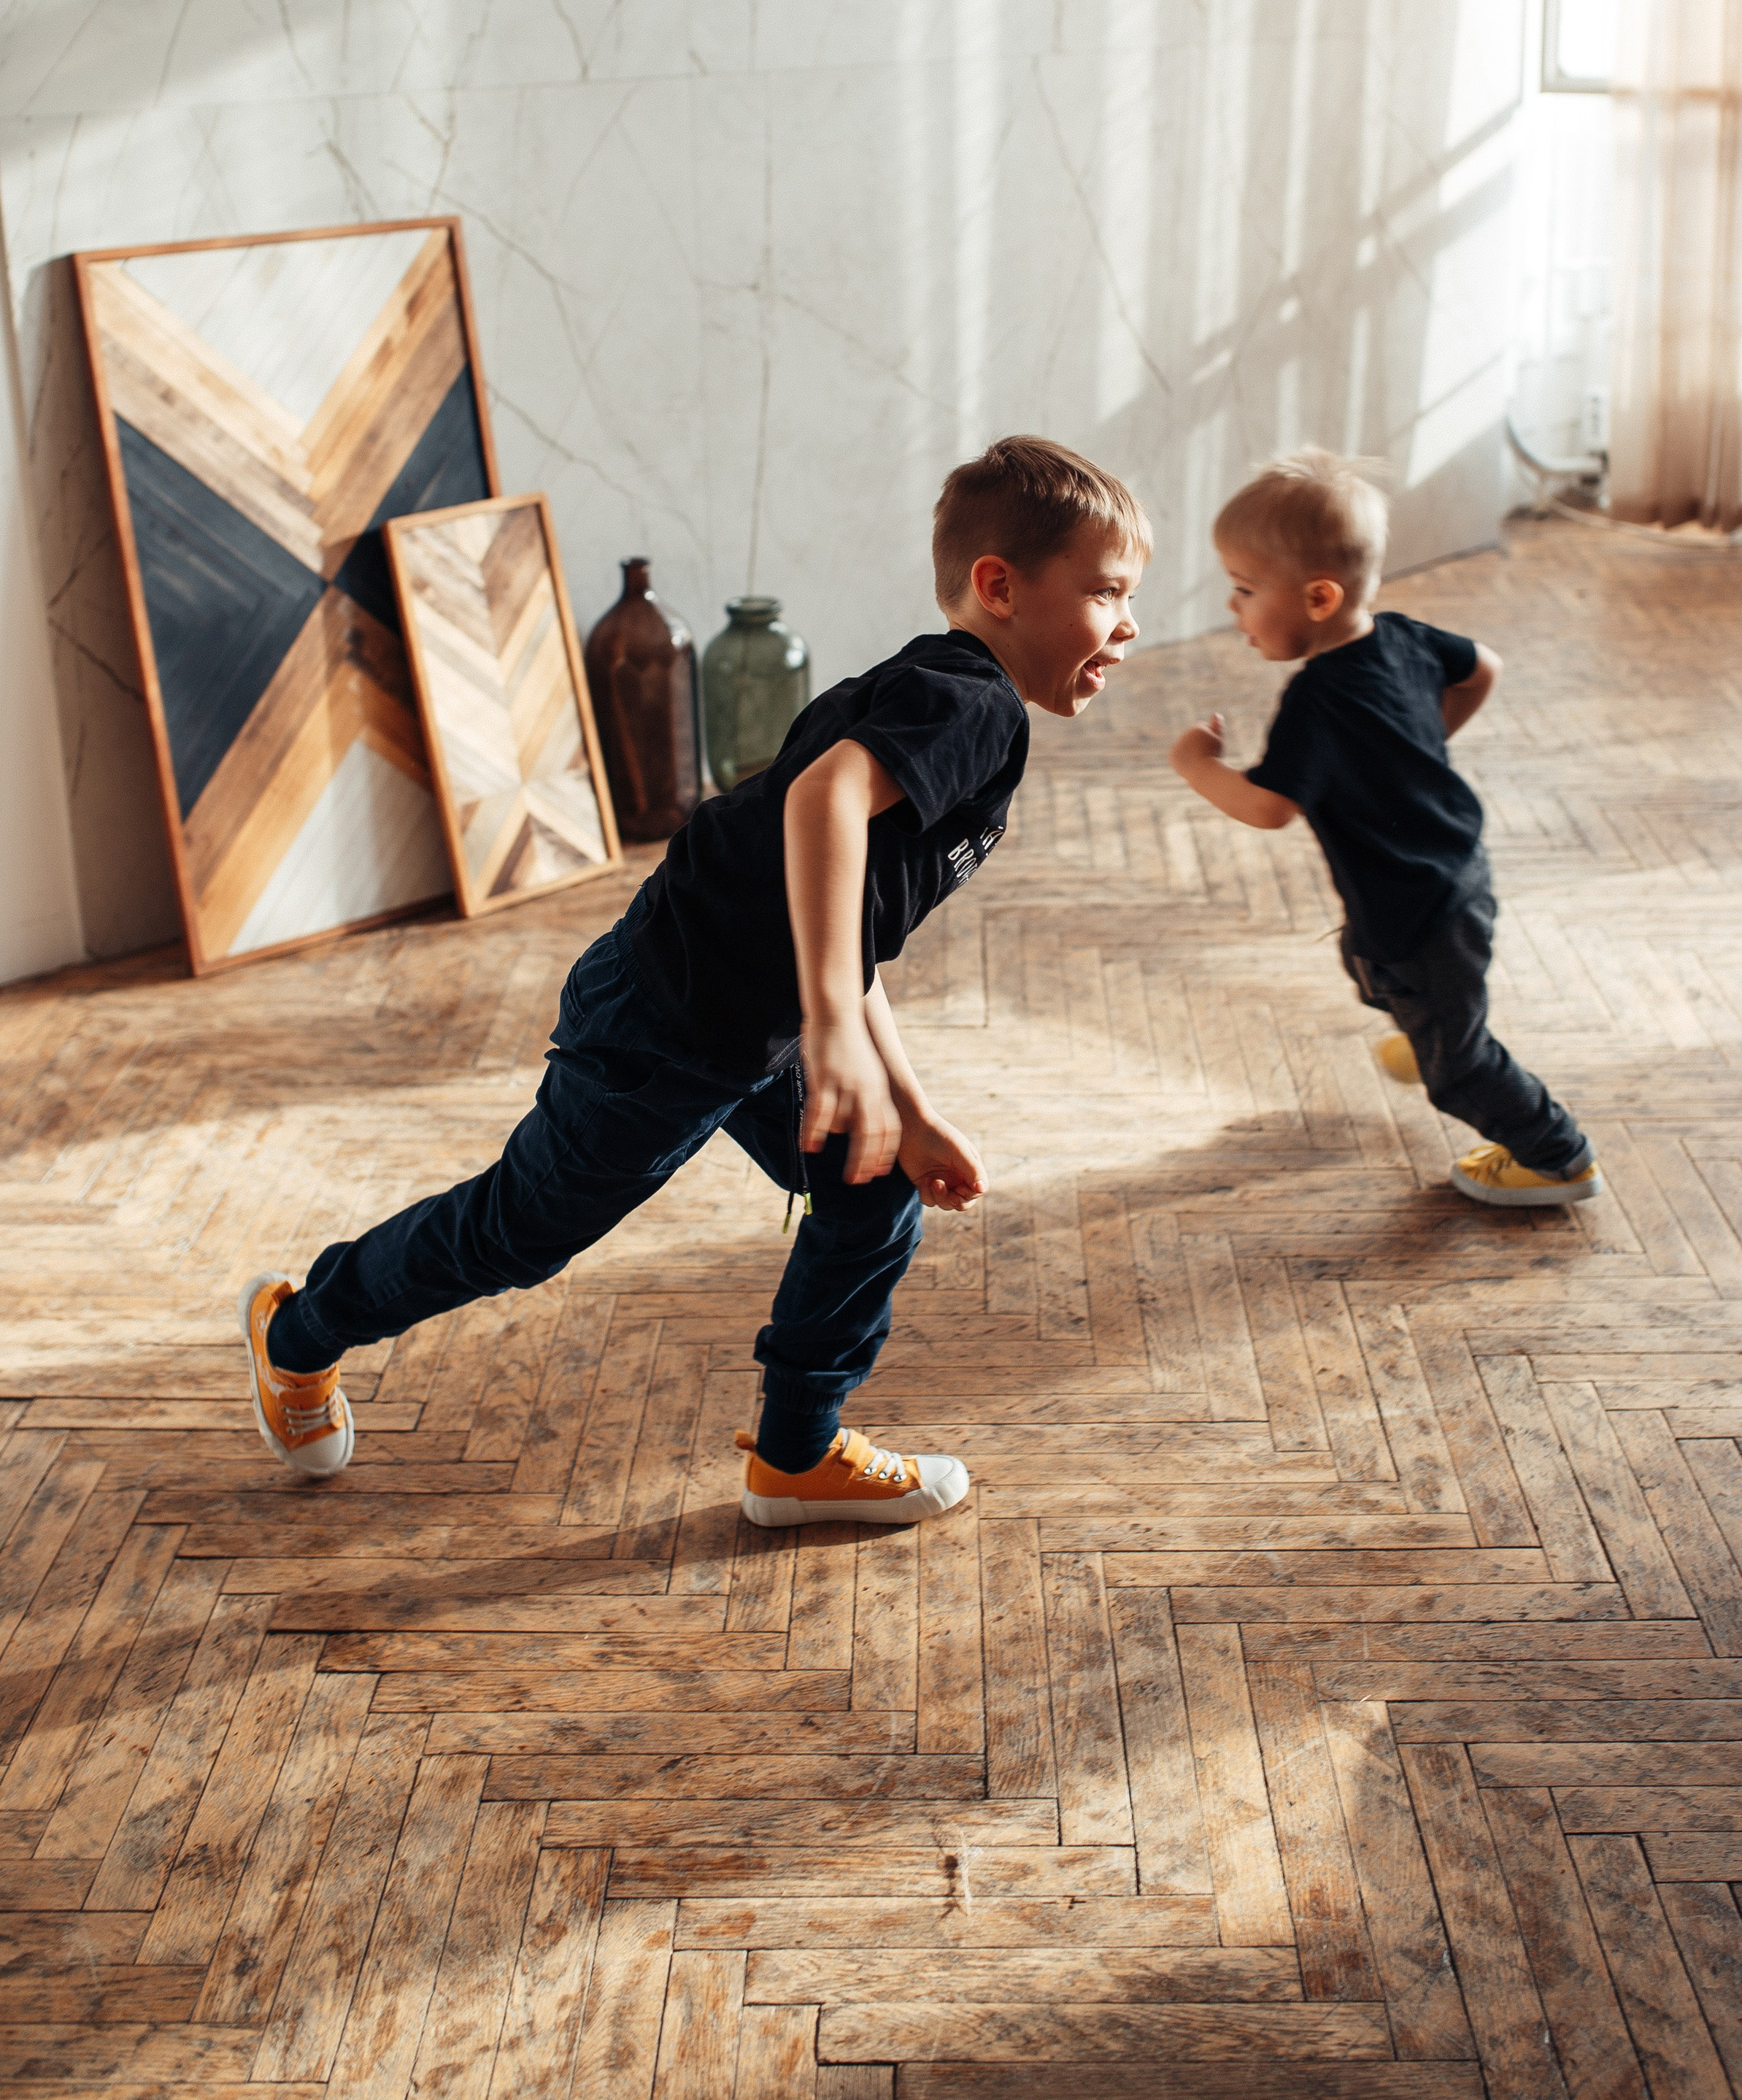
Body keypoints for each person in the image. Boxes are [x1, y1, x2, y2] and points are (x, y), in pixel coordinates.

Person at [240, 436, 1150, 1519]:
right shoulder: (972, 706)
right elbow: (819, 806)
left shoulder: (940, 697)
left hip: (751, 1016)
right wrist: (830, 1033)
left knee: (874, 1197)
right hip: (666, 1024)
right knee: (517, 1234)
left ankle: (795, 1454)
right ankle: (298, 1328)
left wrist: (907, 1104)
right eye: (1105, 592)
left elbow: (845, 916)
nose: (1128, 623)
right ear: (1000, 586)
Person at [1168, 447, 1598, 1210]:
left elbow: (1270, 806)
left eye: (1242, 589)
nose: (1231, 607)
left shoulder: (1318, 699)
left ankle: (1557, 1155)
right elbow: (1484, 667)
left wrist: (1199, 765)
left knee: (1457, 1067)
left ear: (1318, 596)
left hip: (1419, 908)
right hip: (1455, 870)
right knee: (1365, 960)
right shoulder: (1398, 635)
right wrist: (1419, 745)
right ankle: (1430, 1022)